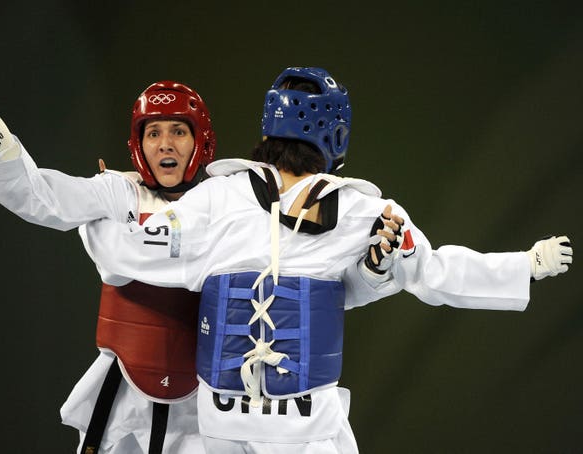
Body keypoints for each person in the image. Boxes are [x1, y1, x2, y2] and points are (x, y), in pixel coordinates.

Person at [78, 66, 573, 453]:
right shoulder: (364, 211)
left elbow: (130, 251)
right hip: (304, 428)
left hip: (219, 426)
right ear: (336, 135)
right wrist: (524, 264)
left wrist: (106, 205)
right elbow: (434, 271)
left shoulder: (216, 196)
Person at [0, 43, 215, 454]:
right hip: (121, 395)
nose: (165, 144)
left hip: (206, 401)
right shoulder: (116, 193)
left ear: (201, 141)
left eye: (178, 130)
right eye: (153, 132)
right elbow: (30, 193)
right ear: (137, 146)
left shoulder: (227, 201)